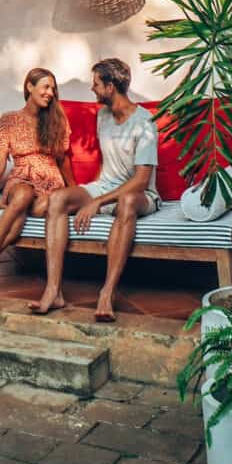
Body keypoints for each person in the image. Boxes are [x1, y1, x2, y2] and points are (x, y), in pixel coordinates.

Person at [28, 57, 159, 322]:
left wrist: (97, 202)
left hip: (140, 194)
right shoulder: (103, 116)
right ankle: (53, 291)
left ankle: (107, 293)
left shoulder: (145, 122)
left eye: (97, 83)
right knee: (57, 199)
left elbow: (141, 181)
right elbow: (106, 168)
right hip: (105, 187)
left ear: (110, 86)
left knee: (127, 203)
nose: (93, 89)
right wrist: (89, 194)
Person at [0, 67, 75, 298]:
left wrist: (74, 189)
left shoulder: (56, 120)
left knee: (30, 212)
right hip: (21, 179)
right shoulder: (9, 120)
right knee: (23, 196)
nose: (50, 93)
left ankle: (7, 208)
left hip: (50, 183)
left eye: (53, 89)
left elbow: (63, 159)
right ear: (29, 87)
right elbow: (0, 161)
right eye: (45, 87)